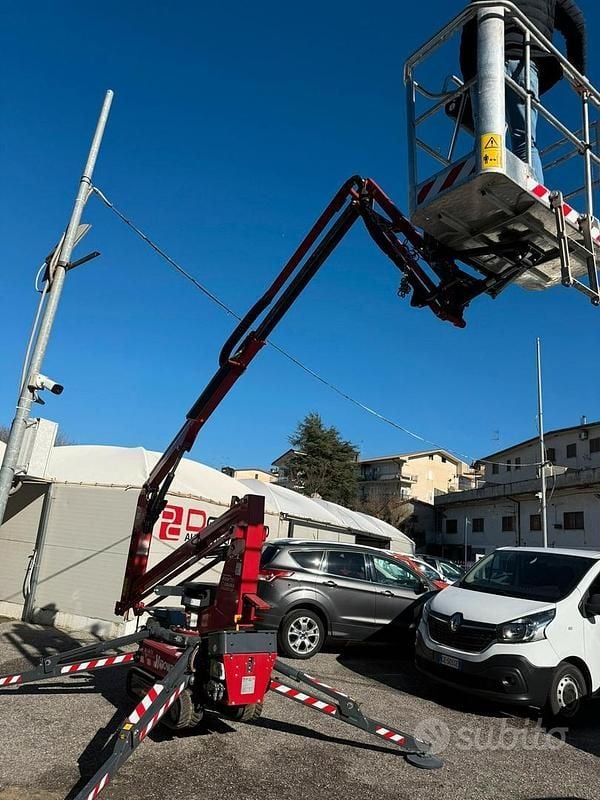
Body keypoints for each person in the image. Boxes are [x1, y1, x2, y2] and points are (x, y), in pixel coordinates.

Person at [460, 0, 587, 183]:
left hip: (485, 64)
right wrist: (577, 72)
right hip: (525, 60)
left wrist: (469, 82)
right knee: (525, 141)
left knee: (485, 138)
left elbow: (469, 30)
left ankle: (484, 185)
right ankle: (533, 188)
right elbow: (576, 22)